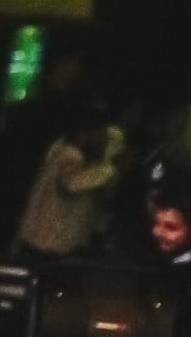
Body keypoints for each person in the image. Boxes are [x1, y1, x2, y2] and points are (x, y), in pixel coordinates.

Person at [15, 101, 123, 259]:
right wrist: (111, 169)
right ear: (84, 134)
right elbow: (71, 183)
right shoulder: (67, 157)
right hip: (44, 252)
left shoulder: (82, 164)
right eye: (100, 136)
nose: (104, 143)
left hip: (51, 251)